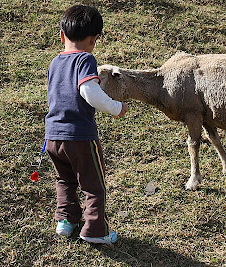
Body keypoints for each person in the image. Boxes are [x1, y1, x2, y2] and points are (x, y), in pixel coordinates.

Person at [44, 5, 128, 245]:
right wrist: (115, 107)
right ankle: (94, 231)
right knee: (94, 185)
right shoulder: (85, 59)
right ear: (94, 39)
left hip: (53, 136)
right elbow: (88, 91)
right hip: (79, 137)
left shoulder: (55, 62)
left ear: (62, 35)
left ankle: (66, 220)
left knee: (65, 179)